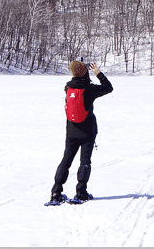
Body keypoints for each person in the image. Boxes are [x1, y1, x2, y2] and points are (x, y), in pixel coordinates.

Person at [47, 60, 113, 206]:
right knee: (85, 162)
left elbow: (76, 81)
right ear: (85, 72)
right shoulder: (89, 88)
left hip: (71, 131)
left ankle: (56, 192)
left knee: (66, 161)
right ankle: (81, 192)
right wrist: (98, 73)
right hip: (87, 131)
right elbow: (108, 88)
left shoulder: (68, 87)